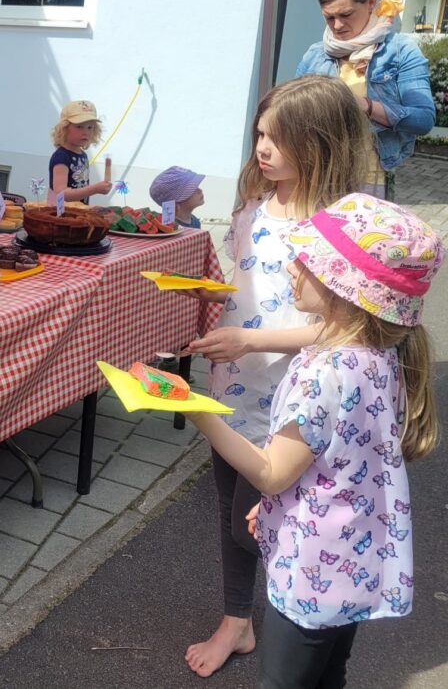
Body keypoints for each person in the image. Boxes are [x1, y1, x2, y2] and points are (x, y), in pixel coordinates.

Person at [184, 193, 441, 688]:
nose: (292, 271)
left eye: (307, 262)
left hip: (312, 568)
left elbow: (270, 471)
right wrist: (282, 503)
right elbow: (341, 458)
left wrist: (195, 408)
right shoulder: (378, 355)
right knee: (329, 676)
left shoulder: (326, 370)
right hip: (355, 556)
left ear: (344, 288)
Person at [182, 75, 370, 678]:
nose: (261, 148)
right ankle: (237, 619)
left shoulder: (339, 227)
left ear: (318, 143)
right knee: (225, 510)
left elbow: (345, 328)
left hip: (295, 402)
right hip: (236, 381)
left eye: (278, 139)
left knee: (255, 522)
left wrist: (251, 337)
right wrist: (208, 301)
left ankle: (302, 620)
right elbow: (248, 286)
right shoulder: (256, 205)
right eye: (260, 133)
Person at [296, 0, 434, 198]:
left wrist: (365, 106)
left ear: (371, 3)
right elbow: (291, 114)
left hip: (369, 181)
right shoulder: (316, 55)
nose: (337, 25)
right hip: (316, 177)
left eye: (346, 14)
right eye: (329, 17)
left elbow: (423, 119)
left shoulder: (401, 51)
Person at [49, 100, 112, 202]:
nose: (86, 132)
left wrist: (100, 187)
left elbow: (79, 185)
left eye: (90, 127)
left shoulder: (83, 155)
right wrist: (94, 189)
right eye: (79, 127)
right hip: (61, 215)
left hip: (79, 213)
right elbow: (61, 193)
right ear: (64, 128)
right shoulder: (61, 157)